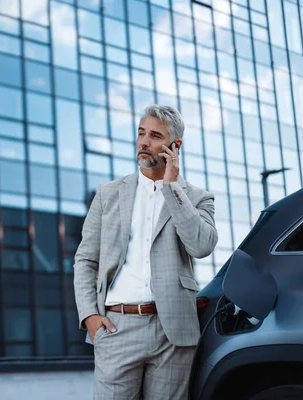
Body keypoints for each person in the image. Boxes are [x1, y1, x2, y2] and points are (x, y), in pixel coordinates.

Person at [73, 105, 218, 399]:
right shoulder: (108, 194)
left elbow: (202, 246)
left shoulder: (197, 197)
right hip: (117, 327)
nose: (143, 142)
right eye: (141, 133)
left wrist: (172, 187)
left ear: (174, 145)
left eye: (154, 136)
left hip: (173, 332)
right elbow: (86, 259)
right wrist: (90, 316)